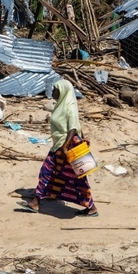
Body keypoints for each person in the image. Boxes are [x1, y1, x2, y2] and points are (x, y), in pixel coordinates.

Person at [17, 79, 99, 217]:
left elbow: (73, 128)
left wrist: (65, 147)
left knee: (69, 176)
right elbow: (76, 125)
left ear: (63, 92)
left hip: (65, 148)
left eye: (56, 90)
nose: (53, 92)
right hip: (59, 146)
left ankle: (91, 207)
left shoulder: (70, 106)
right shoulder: (60, 105)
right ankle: (35, 202)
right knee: (51, 173)